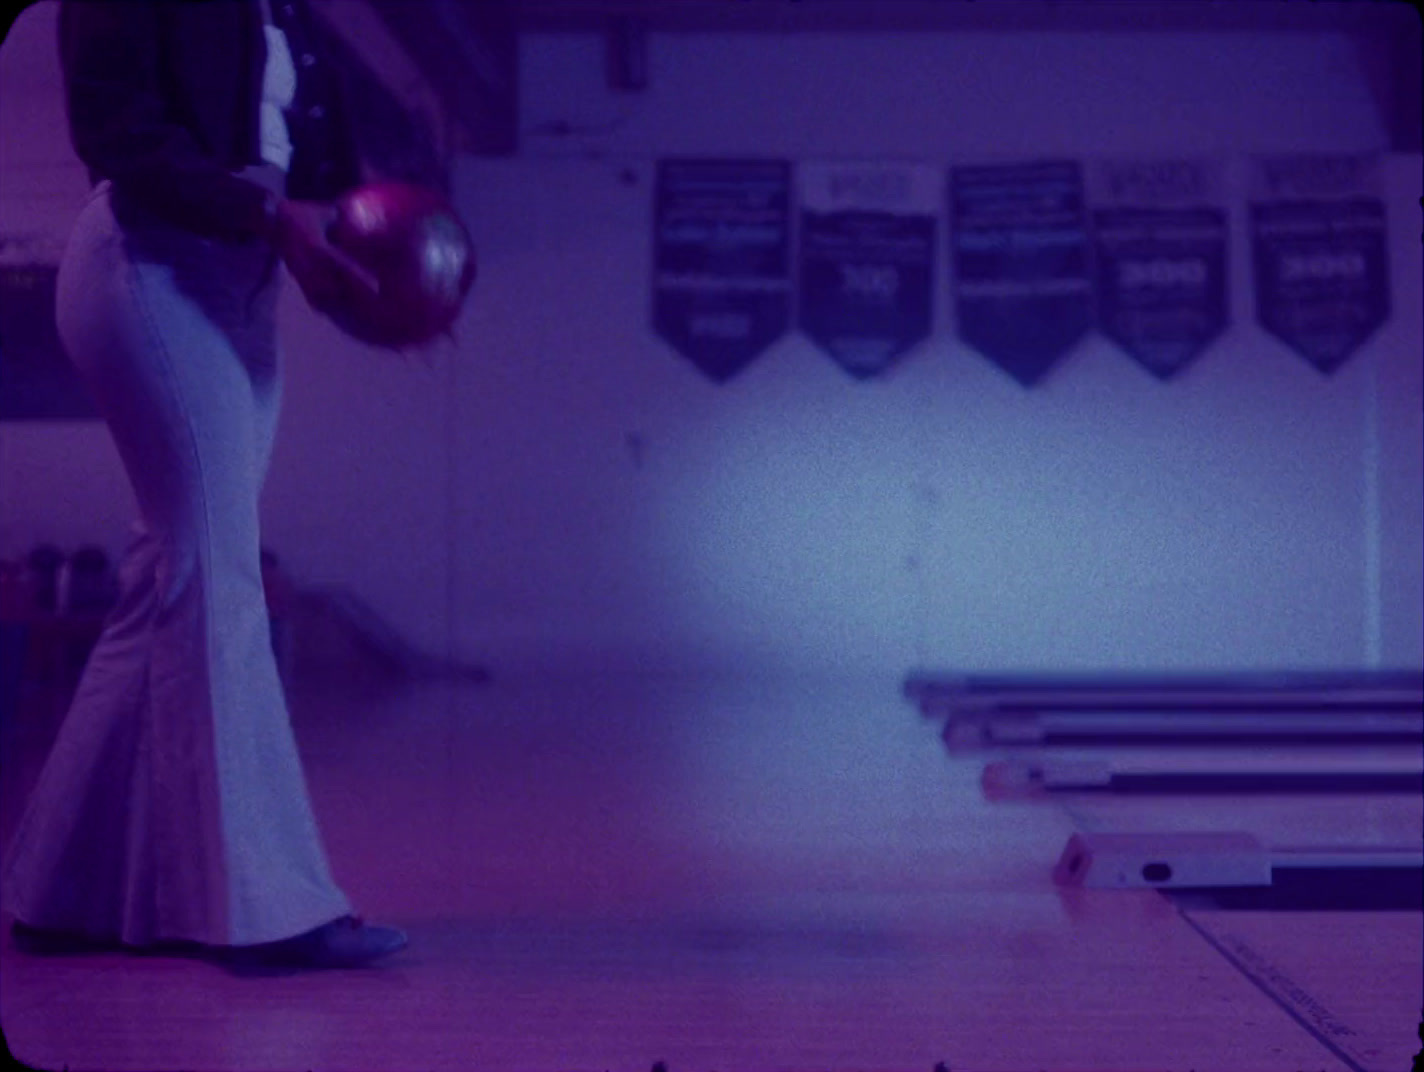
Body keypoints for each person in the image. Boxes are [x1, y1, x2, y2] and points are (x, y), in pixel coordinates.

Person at [1, 0, 406, 970]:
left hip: (243, 284)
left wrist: (393, 258)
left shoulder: (290, 13)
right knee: (215, 577)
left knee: (167, 578)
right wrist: (273, 219)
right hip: (147, 268)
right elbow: (117, 135)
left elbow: (332, 172)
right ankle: (262, 909)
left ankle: (56, 890)